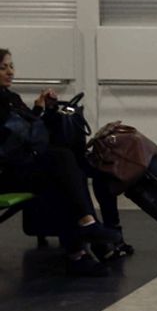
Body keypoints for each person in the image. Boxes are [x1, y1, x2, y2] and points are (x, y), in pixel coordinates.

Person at [0, 48, 124, 276]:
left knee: (62, 175)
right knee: (61, 161)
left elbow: (28, 132)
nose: (10, 72)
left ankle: (79, 252)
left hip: (19, 166)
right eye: (3, 67)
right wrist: (37, 115)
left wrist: (41, 109)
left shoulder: (11, 98)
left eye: (11, 66)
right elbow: (17, 139)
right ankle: (86, 232)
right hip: (5, 173)